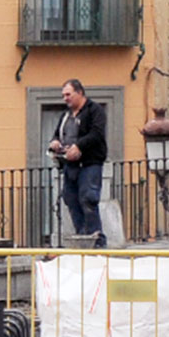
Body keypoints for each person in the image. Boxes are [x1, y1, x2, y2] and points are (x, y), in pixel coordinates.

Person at [48, 79, 107, 247]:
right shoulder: (66, 115)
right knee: (70, 199)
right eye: (63, 95)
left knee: (88, 199)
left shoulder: (95, 110)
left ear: (80, 93)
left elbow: (97, 134)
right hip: (70, 165)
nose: (65, 98)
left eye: (68, 94)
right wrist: (55, 142)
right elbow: (57, 134)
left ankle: (97, 240)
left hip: (90, 164)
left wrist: (79, 146)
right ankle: (82, 236)